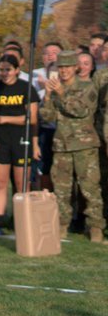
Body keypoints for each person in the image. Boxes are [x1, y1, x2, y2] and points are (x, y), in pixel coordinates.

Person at [41, 50, 104, 242]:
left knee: (89, 188)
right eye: (61, 67)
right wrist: (47, 96)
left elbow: (81, 111)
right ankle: (61, 224)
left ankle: (95, 226)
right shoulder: (55, 87)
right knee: (61, 189)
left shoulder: (87, 87)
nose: (64, 71)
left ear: (75, 67)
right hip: (62, 146)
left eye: (68, 67)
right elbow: (48, 117)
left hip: (84, 146)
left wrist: (61, 93)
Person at [0, 54, 40, 236]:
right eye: (1, 69)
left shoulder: (27, 89)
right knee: (0, 183)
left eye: (8, 69)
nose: (4, 73)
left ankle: (23, 223)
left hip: (22, 140)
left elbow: (31, 119)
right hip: (1, 141)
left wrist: (3, 118)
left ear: (16, 70)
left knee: (22, 185)